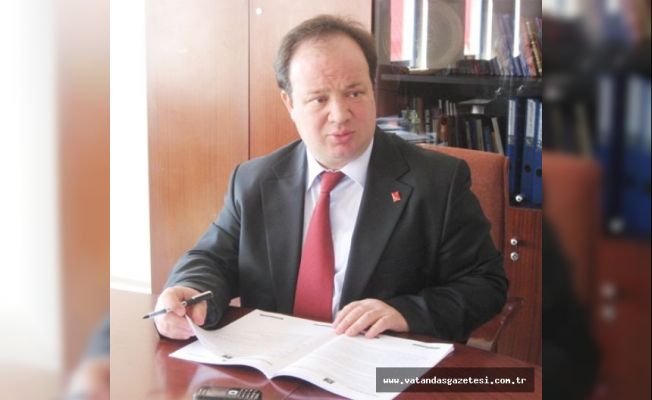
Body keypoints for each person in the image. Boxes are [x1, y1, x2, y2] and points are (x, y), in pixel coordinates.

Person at [154, 15, 507, 342]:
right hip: (273, 364)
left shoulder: (438, 182)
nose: (340, 115)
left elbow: (484, 285)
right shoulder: (253, 181)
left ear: (373, 89)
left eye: (354, 93)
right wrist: (189, 288)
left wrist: (406, 312)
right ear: (289, 103)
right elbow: (212, 259)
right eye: (318, 99)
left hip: (376, 368)